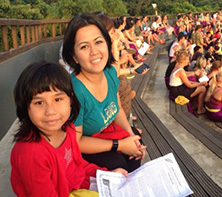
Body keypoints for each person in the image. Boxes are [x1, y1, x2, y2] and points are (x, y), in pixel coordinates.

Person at [11, 62, 129, 196]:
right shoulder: (31, 154)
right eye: (39, 102)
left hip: (76, 187)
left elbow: (79, 166)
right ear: (25, 107)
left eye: (58, 99)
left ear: (70, 100)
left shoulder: (68, 129)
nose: (50, 111)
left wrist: (106, 176)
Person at [62, 13, 145, 172]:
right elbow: (76, 142)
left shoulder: (110, 72)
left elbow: (118, 110)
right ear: (75, 56)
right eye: (84, 46)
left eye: (98, 42)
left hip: (105, 134)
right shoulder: (75, 91)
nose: (94, 52)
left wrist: (130, 137)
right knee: (119, 165)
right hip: (85, 146)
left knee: (135, 148)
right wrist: (120, 145)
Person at [169, 50, 208, 114]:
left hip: (176, 89)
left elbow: (186, 76)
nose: (188, 61)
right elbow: (189, 85)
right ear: (183, 60)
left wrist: (196, 79)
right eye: (187, 59)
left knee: (197, 85)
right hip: (178, 92)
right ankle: (200, 109)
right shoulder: (181, 71)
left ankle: (195, 105)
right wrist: (201, 83)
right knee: (203, 89)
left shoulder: (178, 67)